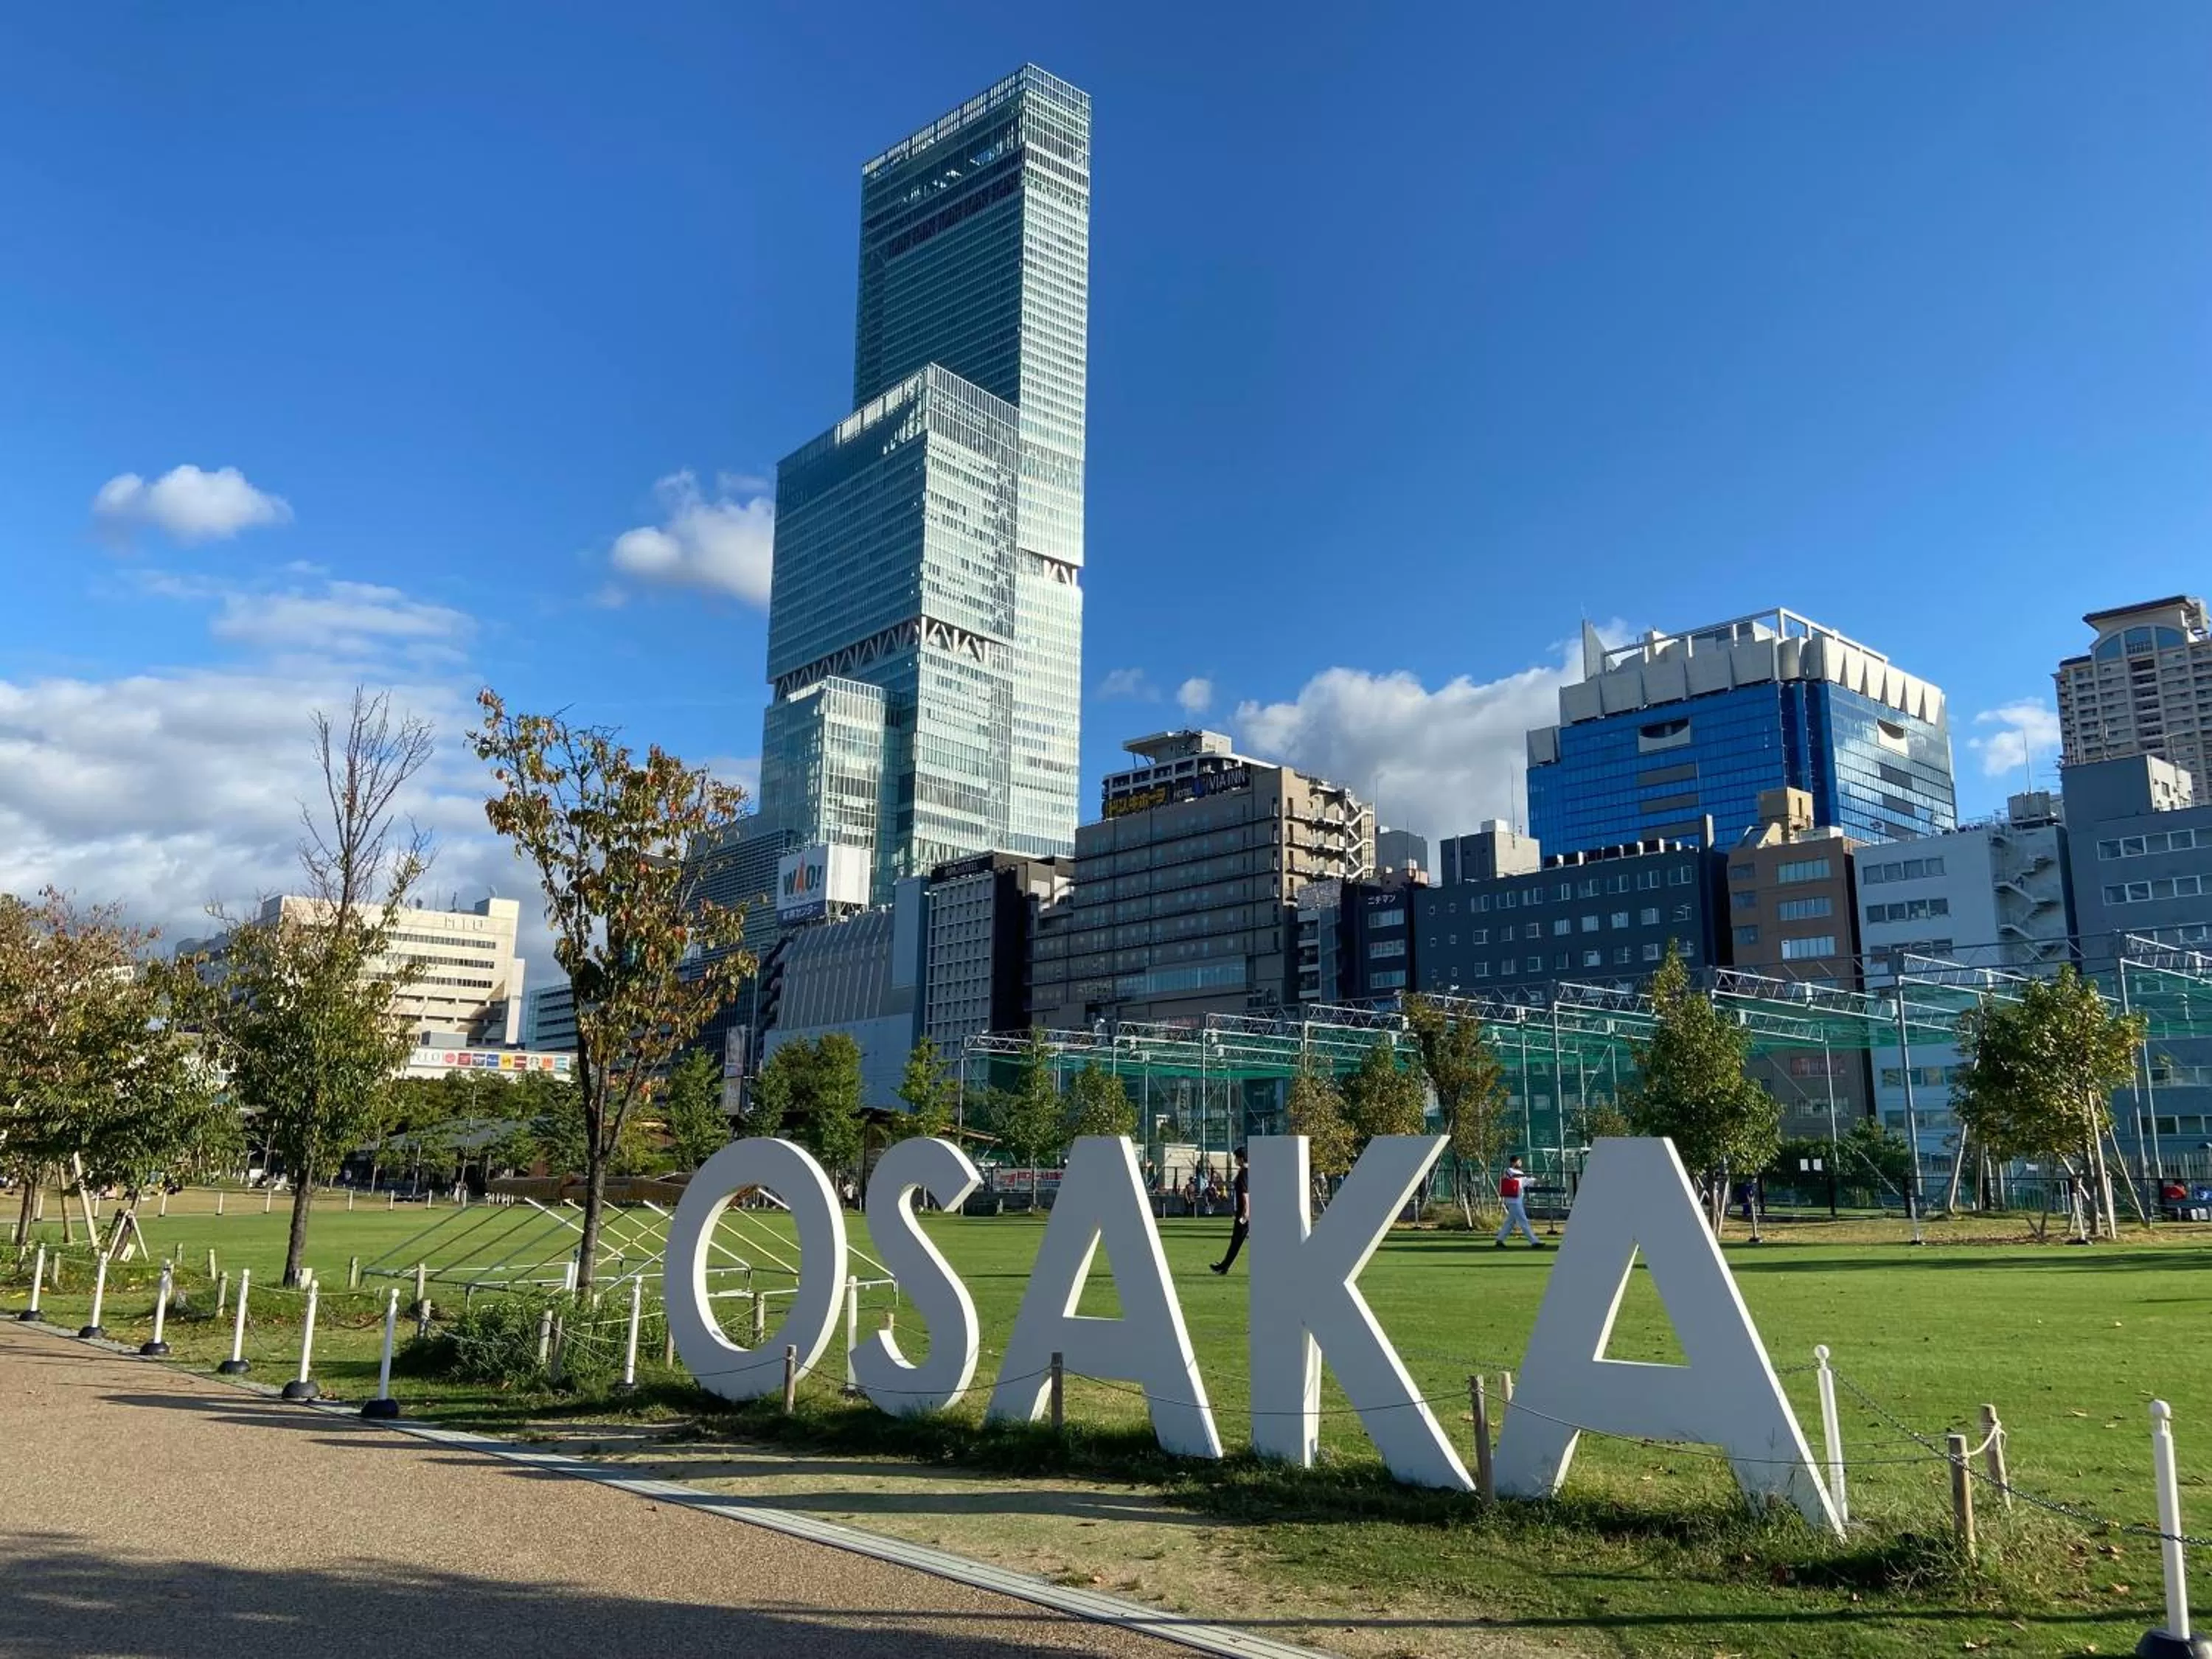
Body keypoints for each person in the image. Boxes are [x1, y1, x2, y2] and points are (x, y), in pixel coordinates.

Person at [1211, 1147, 1251, 1274]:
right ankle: (1224, 1266)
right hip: (1247, 1211)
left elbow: (1245, 1193)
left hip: (1244, 1212)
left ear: (1240, 1158)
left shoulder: (1243, 1174)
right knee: (1236, 1241)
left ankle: (1224, 1267)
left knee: (1236, 1241)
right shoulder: (1251, 1172)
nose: (1235, 1160)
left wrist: (1246, 1212)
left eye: (1236, 1158)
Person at [1495, 1156, 1545, 1250]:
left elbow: (1526, 1181)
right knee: (1523, 1221)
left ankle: (1499, 1240)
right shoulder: (1509, 1171)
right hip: (1512, 1201)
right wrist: (1526, 1176)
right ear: (1514, 1162)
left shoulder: (1521, 1173)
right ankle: (1534, 1242)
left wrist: (1540, 1181)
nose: (1521, 1163)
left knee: (1510, 1222)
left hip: (1518, 1200)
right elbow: (1514, 1176)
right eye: (1519, 1162)